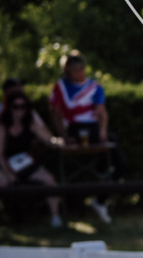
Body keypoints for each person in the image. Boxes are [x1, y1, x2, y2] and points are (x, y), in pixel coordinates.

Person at [48, 50, 113, 223]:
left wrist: (102, 133)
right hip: (73, 132)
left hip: (94, 131)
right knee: (70, 171)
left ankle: (100, 201)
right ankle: (71, 208)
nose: (76, 73)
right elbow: (54, 113)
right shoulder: (60, 87)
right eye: (71, 69)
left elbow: (102, 112)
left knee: (116, 162)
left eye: (78, 68)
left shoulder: (94, 86)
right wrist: (63, 135)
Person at [0, 91, 64, 227]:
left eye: (23, 106)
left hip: (23, 163)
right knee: (1, 184)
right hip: (2, 164)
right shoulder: (2, 126)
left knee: (49, 180)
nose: (20, 110)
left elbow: (49, 140)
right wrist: (9, 174)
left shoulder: (30, 123)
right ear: (9, 107)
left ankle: (55, 218)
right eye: (16, 106)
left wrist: (61, 141)